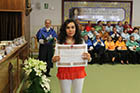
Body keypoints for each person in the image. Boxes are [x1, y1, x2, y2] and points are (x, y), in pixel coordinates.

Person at [52, 19, 91, 93]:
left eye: (72, 27)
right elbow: (54, 59)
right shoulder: (60, 41)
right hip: (64, 71)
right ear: (64, 29)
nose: (70, 30)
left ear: (76, 29)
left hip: (78, 71)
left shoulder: (81, 41)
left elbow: (87, 58)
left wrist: (88, 57)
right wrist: (55, 59)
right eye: (68, 28)